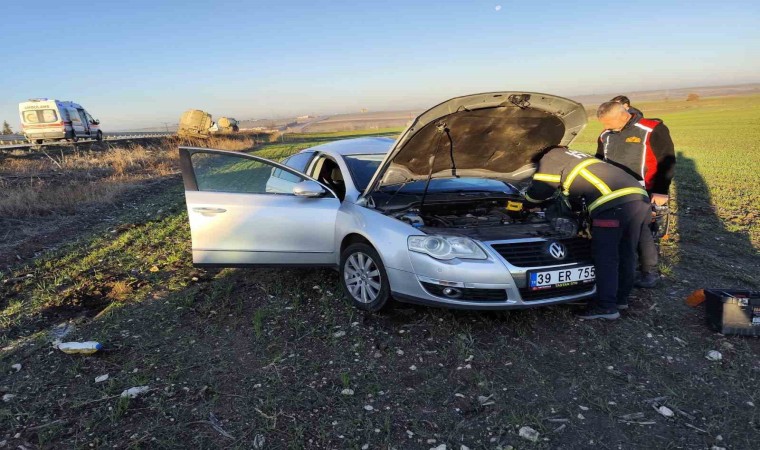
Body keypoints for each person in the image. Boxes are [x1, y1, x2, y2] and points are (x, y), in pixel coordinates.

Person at [524, 147, 651, 320]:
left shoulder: (551, 157)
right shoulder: (573, 155)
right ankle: (620, 299)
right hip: (639, 197)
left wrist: (526, 203)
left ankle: (605, 306)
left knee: (606, 256)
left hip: (612, 204)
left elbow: (541, 189)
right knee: (626, 252)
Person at [595, 101, 675, 288]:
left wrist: (661, 190)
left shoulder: (652, 129)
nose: (606, 127)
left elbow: (667, 160)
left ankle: (649, 273)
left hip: (643, 191)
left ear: (624, 115)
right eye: (603, 124)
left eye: (609, 123)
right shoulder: (605, 134)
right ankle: (625, 269)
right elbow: (599, 160)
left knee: (643, 232)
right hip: (613, 192)